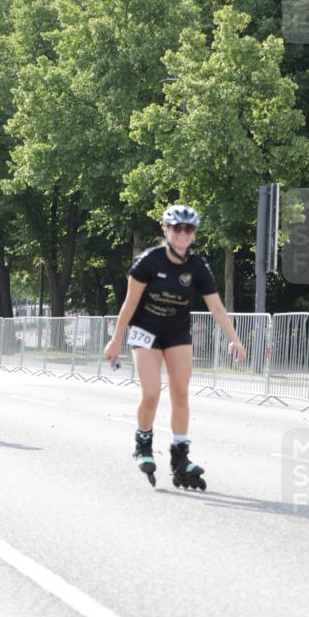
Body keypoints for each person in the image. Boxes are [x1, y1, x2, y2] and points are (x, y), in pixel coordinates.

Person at [103, 204, 246, 490]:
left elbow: (215, 306)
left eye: (188, 229)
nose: (183, 233)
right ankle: (143, 441)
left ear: (194, 233)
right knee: (152, 393)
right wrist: (116, 338)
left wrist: (235, 338)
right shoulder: (149, 261)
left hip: (177, 332)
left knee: (181, 393)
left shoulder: (198, 266)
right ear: (166, 230)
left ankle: (180, 456)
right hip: (146, 332)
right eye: (177, 228)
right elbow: (130, 303)